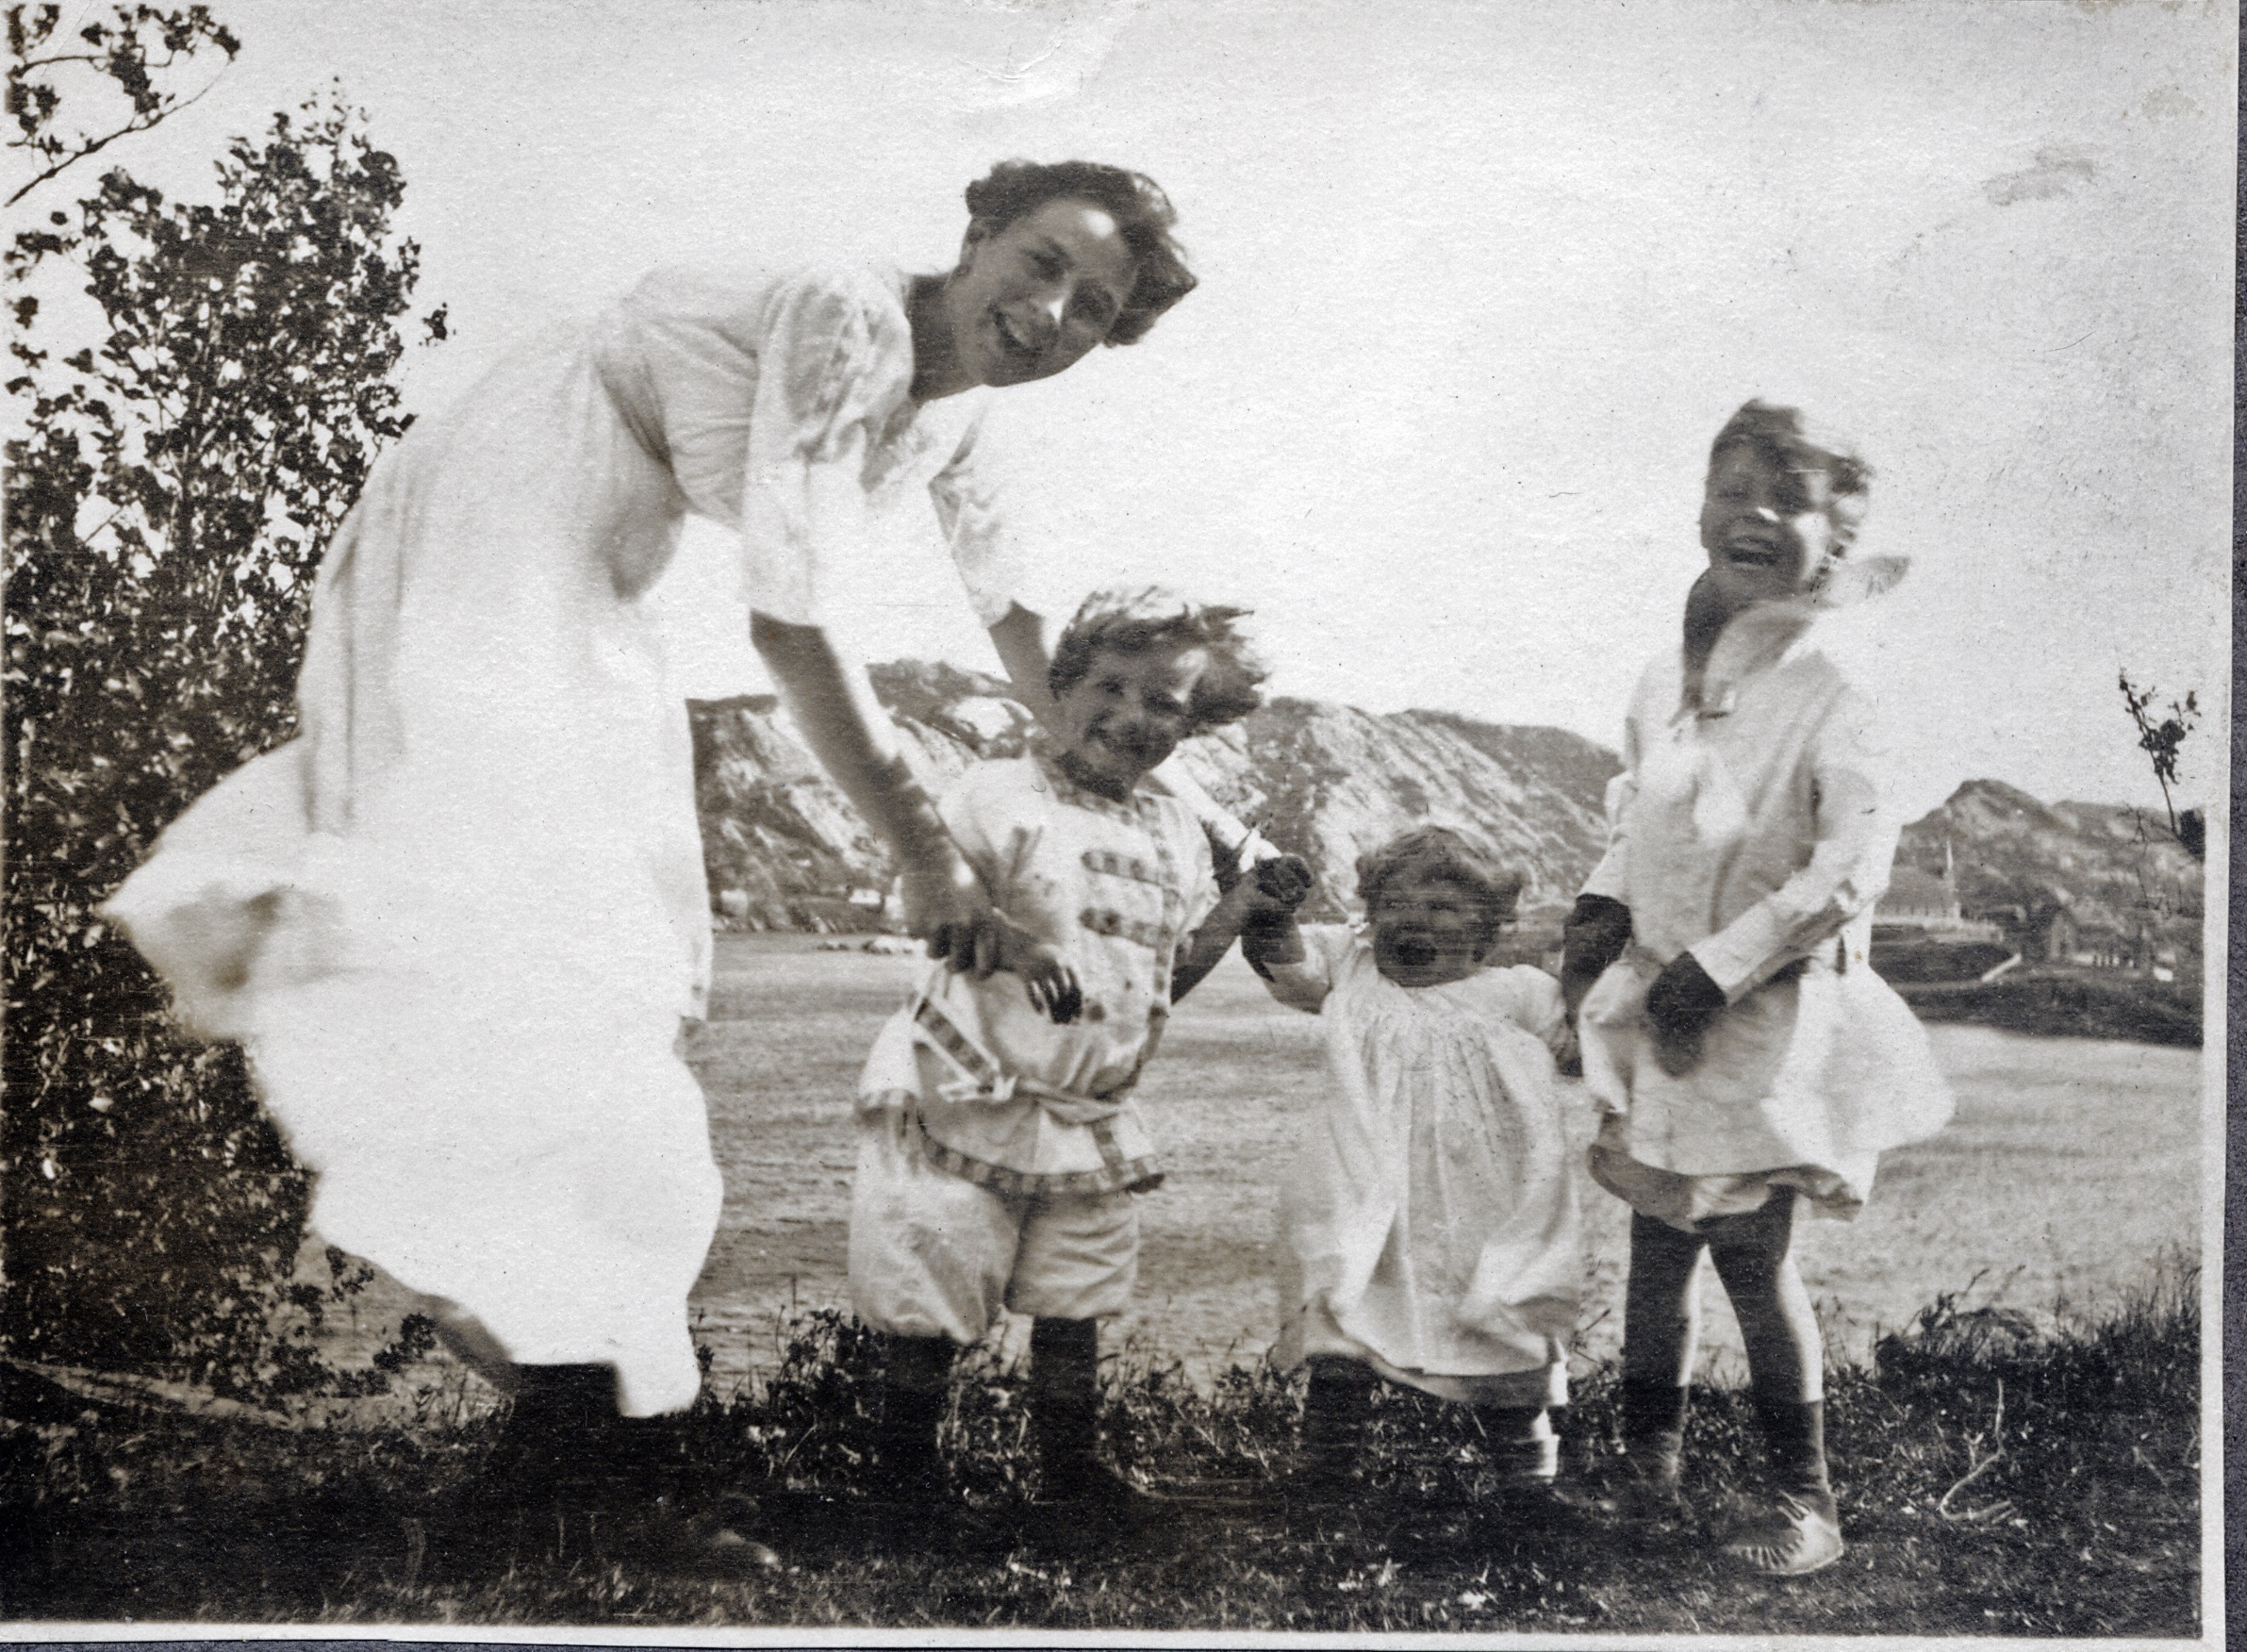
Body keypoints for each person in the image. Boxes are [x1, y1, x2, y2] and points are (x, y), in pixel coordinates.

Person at [100, 160, 1218, 1565]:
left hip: (590, 555)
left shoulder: (961, 420)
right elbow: (789, 628)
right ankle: (595, 1461)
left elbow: (1013, 616)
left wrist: (1133, 779)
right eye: (1043, 260)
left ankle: (582, 1451)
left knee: (595, 975)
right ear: (978, 232)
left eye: (1094, 307)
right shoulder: (847, 312)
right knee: (533, 943)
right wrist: (929, 857)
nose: (1050, 310)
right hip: (514, 507)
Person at [1561, 401, 1955, 1577]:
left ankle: (1806, 1501)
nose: (1752, 516)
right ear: (1698, 510)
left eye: (1785, 502)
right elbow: (1642, 825)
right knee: (1654, 1250)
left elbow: (1850, 870)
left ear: (1835, 545)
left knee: (1748, 1252)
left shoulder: (1838, 689)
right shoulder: (1665, 681)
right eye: (1731, 491)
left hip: (1765, 1016)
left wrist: (1717, 968)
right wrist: (1596, 917)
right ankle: (1649, 1475)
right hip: (1656, 1005)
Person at [848, 587, 1307, 1537]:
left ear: (1194, 724)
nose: (1132, 717)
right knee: (934, 1282)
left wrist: (1241, 907)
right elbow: (925, 908)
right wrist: (1016, 945)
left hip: (1088, 1105)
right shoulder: (993, 793)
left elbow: (1160, 978)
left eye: (1164, 704)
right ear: (1061, 686)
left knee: (1074, 1297)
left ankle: (1071, 1476)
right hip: (966, 1087)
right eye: (1110, 687)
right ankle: (900, 1486)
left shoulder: (1175, 831)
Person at [1243, 827, 1587, 1525]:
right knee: (1343, 1320)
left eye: (1444, 907)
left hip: (1484, 1205)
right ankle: (1323, 1479)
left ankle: (1529, 1490)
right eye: (1394, 903)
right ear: (1369, 913)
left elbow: (1587, 1048)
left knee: (1504, 1327)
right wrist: (1271, 910)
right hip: (1369, 1192)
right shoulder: (1352, 967)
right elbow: (1286, 964)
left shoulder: (1518, 993)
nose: (1414, 920)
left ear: (1490, 923)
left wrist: (1610, 974)